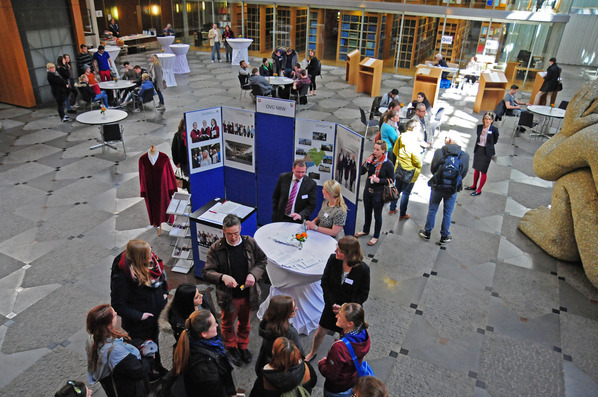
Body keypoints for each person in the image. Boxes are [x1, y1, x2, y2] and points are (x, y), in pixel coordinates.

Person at [203, 214, 267, 367]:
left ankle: (243, 346)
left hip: (247, 293)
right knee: (227, 324)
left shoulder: (249, 243)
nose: (233, 237)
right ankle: (231, 347)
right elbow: (207, 272)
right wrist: (223, 277)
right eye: (229, 234)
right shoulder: (216, 249)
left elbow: (262, 261)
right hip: (228, 296)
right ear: (223, 231)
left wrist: (253, 274)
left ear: (240, 229)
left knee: (245, 322)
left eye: (236, 233)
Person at [304, 236, 370, 363]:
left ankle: (340, 357)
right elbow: (325, 282)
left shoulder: (363, 269)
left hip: (349, 312)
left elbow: (363, 294)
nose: (335, 252)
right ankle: (313, 352)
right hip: (331, 305)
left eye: (339, 250)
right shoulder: (333, 260)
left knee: (345, 337)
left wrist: (345, 307)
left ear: (349, 254)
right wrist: (332, 303)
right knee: (320, 332)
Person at [110, 239, 169, 376]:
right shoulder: (122, 277)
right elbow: (118, 304)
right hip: (139, 324)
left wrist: (164, 293)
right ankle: (147, 374)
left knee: (154, 343)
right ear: (138, 258)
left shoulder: (152, 262)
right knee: (144, 350)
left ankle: (157, 367)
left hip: (155, 316)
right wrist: (140, 316)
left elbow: (162, 278)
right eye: (147, 255)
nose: (151, 256)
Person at [86, 304, 150, 397]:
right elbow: (138, 371)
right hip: (128, 389)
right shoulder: (116, 351)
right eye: (114, 315)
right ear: (108, 325)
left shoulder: (92, 338)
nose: (116, 313)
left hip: (111, 382)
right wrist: (148, 358)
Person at [419, 131, 470, 244]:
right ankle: (444, 235)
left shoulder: (439, 152)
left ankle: (427, 233)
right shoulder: (464, 155)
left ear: (449, 140)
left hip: (438, 186)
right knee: (448, 212)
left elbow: (433, 169)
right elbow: (464, 172)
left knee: (433, 209)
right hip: (452, 189)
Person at [172, 309, 236, 396]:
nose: (217, 325)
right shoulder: (207, 370)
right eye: (214, 325)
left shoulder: (188, 341)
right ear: (204, 334)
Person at [318, 303, 371, 397]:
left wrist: (322, 363)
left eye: (340, 316)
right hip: (351, 379)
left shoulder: (339, 348)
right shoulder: (363, 332)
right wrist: (344, 311)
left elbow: (331, 374)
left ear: (350, 323)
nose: (336, 316)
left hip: (337, 388)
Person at [354, 140, 394, 246]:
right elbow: (361, 172)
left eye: (377, 150)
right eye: (374, 149)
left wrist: (379, 181)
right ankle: (365, 230)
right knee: (367, 212)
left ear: (383, 151)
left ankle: (376, 235)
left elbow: (391, 180)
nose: (374, 151)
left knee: (377, 215)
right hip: (368, 191)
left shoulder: (388, 164)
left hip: (378, 193)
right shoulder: (371, 160)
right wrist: (367, 162)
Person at [254, 295, 304, 376]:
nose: (296, 309)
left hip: (266, 359)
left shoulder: (266, 322)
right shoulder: (290, 333)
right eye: (293, 309)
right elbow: (298, 353)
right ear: (284, 313)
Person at [250, 337, 316, 397]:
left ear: (274, 354)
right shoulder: (306, 368)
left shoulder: (265, 378)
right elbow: (313, 382)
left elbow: (255, 394)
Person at [389, 119, 423, 219]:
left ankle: (392, 208)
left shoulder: (401, 137)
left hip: (399, 168)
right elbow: (417, 160)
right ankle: (402, 214)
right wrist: (418, 168)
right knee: (406, 194)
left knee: (397, 189)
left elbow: (395, 150)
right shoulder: (414, 142)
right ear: (415, 129)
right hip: (410, 171)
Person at [272, 158, 317, 223]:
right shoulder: (283, 177)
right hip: (281, 217)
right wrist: (275, 214)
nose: (300, 175)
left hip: (299, 220)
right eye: (298, 172)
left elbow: (311, 205)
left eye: (303, 172)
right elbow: (276, 197)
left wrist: (301, 215)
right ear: (293, 169)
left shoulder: (311, 184)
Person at [465, 112, 499, 197]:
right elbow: (478, 137)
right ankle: (474, 186)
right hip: (479, 149)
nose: (487, 121)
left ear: (492, 120)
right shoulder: (479, 127)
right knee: (476, 169)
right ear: (483, 119)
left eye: (489, 119)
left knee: (483, 171)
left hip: (487, 152)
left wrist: (488, 145)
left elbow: (495, 141)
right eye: (486, 118)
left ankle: (479, 189)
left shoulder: (494, 129)